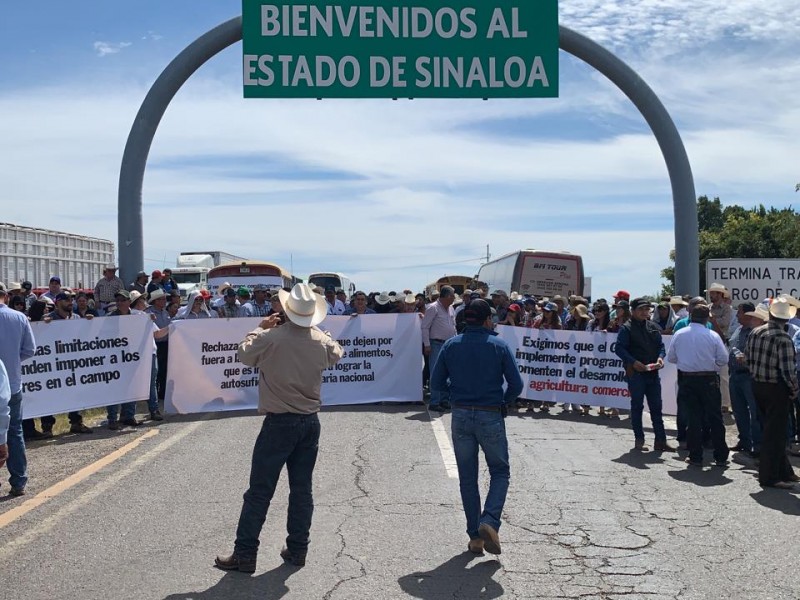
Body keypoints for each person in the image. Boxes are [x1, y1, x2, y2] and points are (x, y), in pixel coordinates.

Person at [215, 283, 344, 573]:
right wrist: (319, 332)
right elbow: (337, 352)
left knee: (260, 491)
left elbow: (244, 355)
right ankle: (298, 549)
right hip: (309, 421)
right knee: (302, 490)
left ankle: (245, 553)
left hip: (279, 422)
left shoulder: (271, 337)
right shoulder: (320, 340)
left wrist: (259, 327)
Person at [430, 299, 523, 555]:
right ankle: (490, 521)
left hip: (460, 415)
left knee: (468, 478)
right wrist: (503, 401)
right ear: (486, 320)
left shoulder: (450, 345)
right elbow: (516, 384)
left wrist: (454, 396)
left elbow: (436, 382)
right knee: (500, 471)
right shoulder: (499, 345)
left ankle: (475, 537)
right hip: (490, 413)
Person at [745, 297, 800, 489]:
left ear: (770, 314)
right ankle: (769, 476)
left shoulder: (755, 332)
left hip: (758, 384)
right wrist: (794, 390)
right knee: (775, 434)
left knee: (770, 429)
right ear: (786, 320)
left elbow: (748, 359)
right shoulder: (783, 339)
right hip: (776, 388)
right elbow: (788, 371)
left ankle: (784, 471)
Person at [667, 303, 729, 467]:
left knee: (693, 418)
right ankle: (721, 456)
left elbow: (671, 358)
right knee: (715, 417)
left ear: (691, 316)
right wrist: (711, 365)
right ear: (707, 317)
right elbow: (724, 359)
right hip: (708, 379)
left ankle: (695, 455)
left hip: (687, 379)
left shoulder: (679, 333)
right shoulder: (713, 335)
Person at [614, 298, 675, 452]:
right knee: (637, 406)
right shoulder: (626, 328)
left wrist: (661, 358)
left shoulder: (653, 327)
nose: (644, 312)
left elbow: (661, 346)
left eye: (647, 309)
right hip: (636, 373)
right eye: (641, 309)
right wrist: (633, 362)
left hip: (652, 373)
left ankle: (660, 440)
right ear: (633, 311)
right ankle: (639, 439)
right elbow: (619, 349)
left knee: (656, 407)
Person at [0, 283, 36, 496]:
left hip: (10, 381)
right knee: (14, 431)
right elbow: (29, 350)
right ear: (5, 295)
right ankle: (19, 481)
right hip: (12, 383)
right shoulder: (19, 317)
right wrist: (11, 362)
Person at [728, 303, 765, 457]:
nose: (737, 316)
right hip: (735, 375)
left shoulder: (757, 332)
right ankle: (744, 441)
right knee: (739, 411)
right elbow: (732, 345)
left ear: (749, 314)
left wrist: (745, 357)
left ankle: (757, 445)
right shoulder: (738, 330)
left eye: (739, 313)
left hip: (749, 376)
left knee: (755, 412)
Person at [421, 286, 457, 412]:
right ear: (447, 296)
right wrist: (427, 344)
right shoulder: (433, 308)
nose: (454, 298)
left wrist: (456, 339)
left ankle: (444, 400)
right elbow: (424, 327)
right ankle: (435, 401)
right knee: (436, 373)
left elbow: (453, 326)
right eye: (453, 295)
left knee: (448, 373)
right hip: (436, 344)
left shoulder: (451, 308)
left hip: (450, 344)